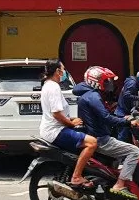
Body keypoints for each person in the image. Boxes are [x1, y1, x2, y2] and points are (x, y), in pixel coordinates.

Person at [73, 66, 139, 199]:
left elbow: (103, 116)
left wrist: (123, 118)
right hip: (101, 139)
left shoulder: (89, 95)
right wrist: (128, 122)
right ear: (96, 81)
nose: (110, 84)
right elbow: (106, 118)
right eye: (106, 81)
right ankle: (120, 184)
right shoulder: (93, 96)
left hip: (96, 135)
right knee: (134, 151)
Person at [39, 59, 97, 189]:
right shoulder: (53, 87)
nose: (64, 72)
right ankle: (76, 176)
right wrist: (71, 124)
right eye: (63, 70)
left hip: (51, 129)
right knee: (92, 142)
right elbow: (56, 114)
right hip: (56, 131)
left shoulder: (47, 85)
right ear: (58, 72)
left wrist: (72, 119)